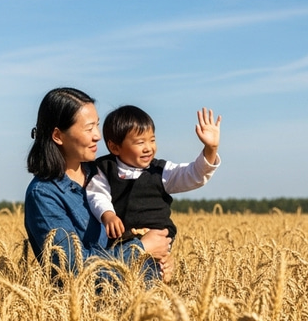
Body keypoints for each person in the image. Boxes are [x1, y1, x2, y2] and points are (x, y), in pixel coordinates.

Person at [24, 87, 173, 280]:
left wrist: (161, 264)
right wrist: (141, 249)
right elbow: (75, 271)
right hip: (86, 308)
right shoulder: (44, 195)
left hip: (138, 299)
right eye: (89, 128)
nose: (98, 136)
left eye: (97, 125)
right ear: (58, 136)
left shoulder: (103, 173)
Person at [85, 104, 221, 244]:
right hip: (121, 244)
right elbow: (97, 195)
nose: (148, 148)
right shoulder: (104, 169)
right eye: (140, 142)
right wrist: (108, 215)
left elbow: (193, 175)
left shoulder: (160, 170)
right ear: (115, 147)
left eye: (152, 140)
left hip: (159, 241)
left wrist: (211, 149)